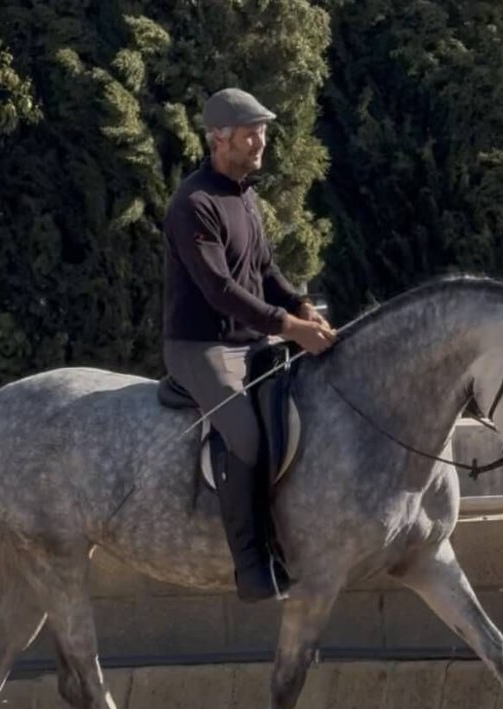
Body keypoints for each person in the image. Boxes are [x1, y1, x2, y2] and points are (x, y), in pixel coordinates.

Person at [162, 87, 337, 603]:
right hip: (200, 347)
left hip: (250, 341)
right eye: (250, 133)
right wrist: (288, 326)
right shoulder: (192, 204)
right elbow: (220, 290)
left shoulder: (246, 197)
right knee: (245, 435)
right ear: (220, 140)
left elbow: (262, 272)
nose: (261, 140)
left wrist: (302, 307)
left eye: (262, 130)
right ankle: (252, 564)